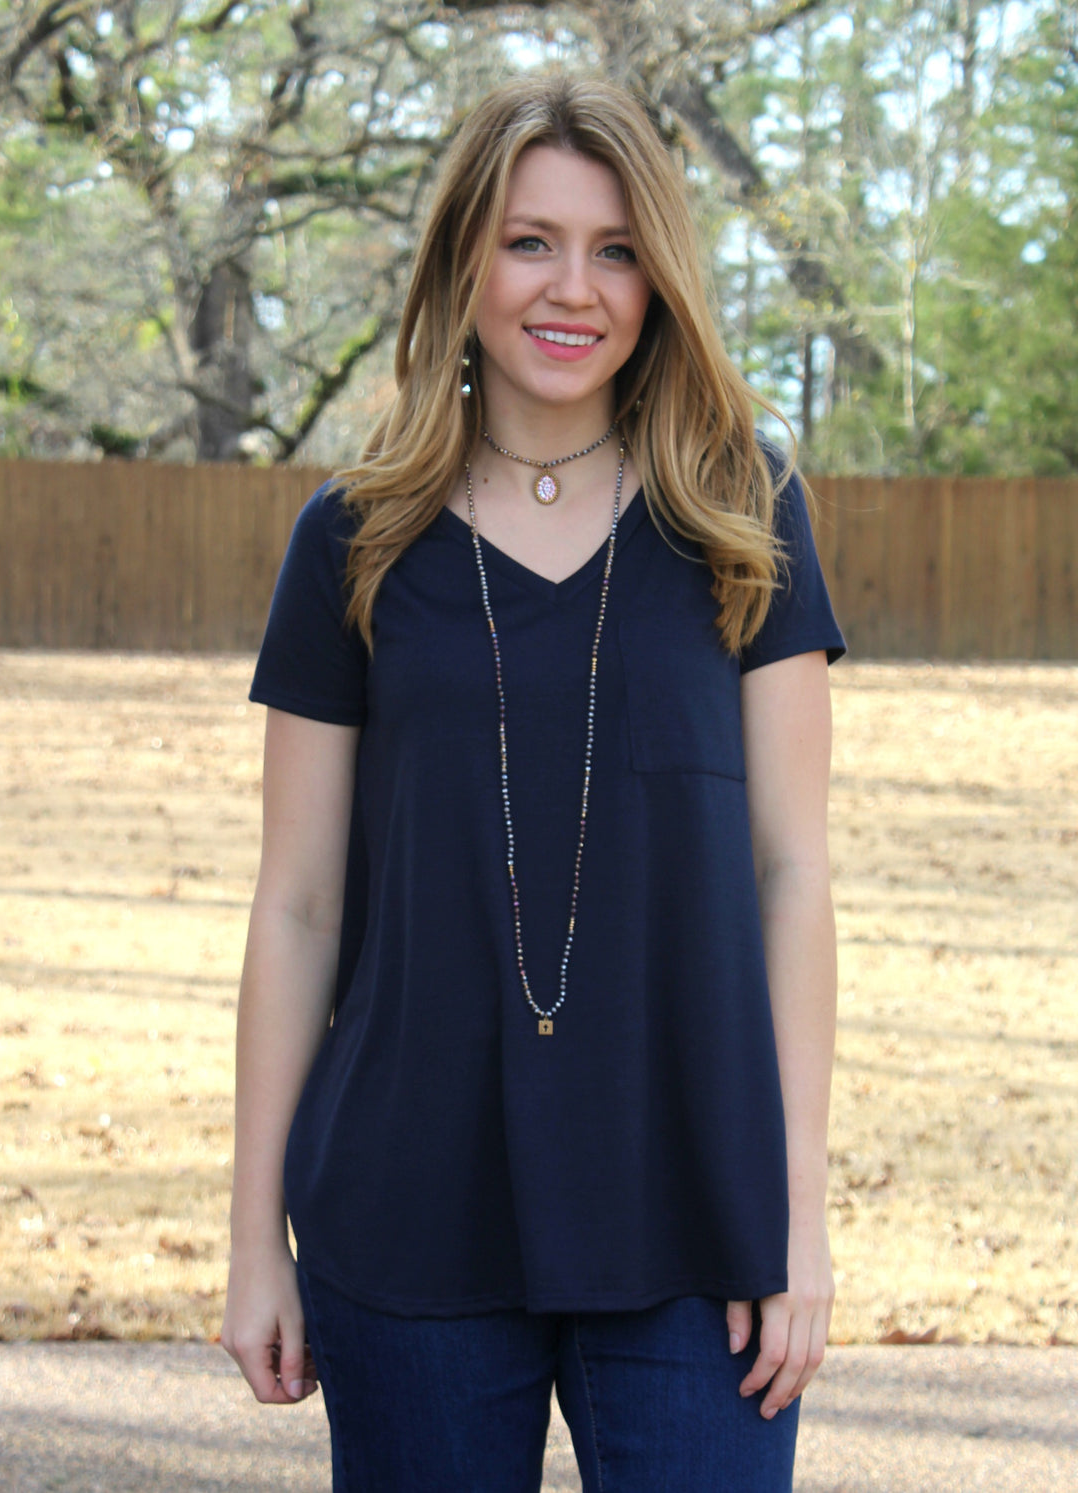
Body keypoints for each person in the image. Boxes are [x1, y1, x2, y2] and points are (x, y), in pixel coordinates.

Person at [221, 73, 845, 1493]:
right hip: (405, 1204)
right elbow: (300, 903)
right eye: (531, 241)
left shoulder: (746, 513)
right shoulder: (354, 538)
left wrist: (796, 1212)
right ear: (463, 262)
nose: (575, 288)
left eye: (616, 248)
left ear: (662, 277)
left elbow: (791, 874)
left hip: (699, 1212)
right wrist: (256, 1234)